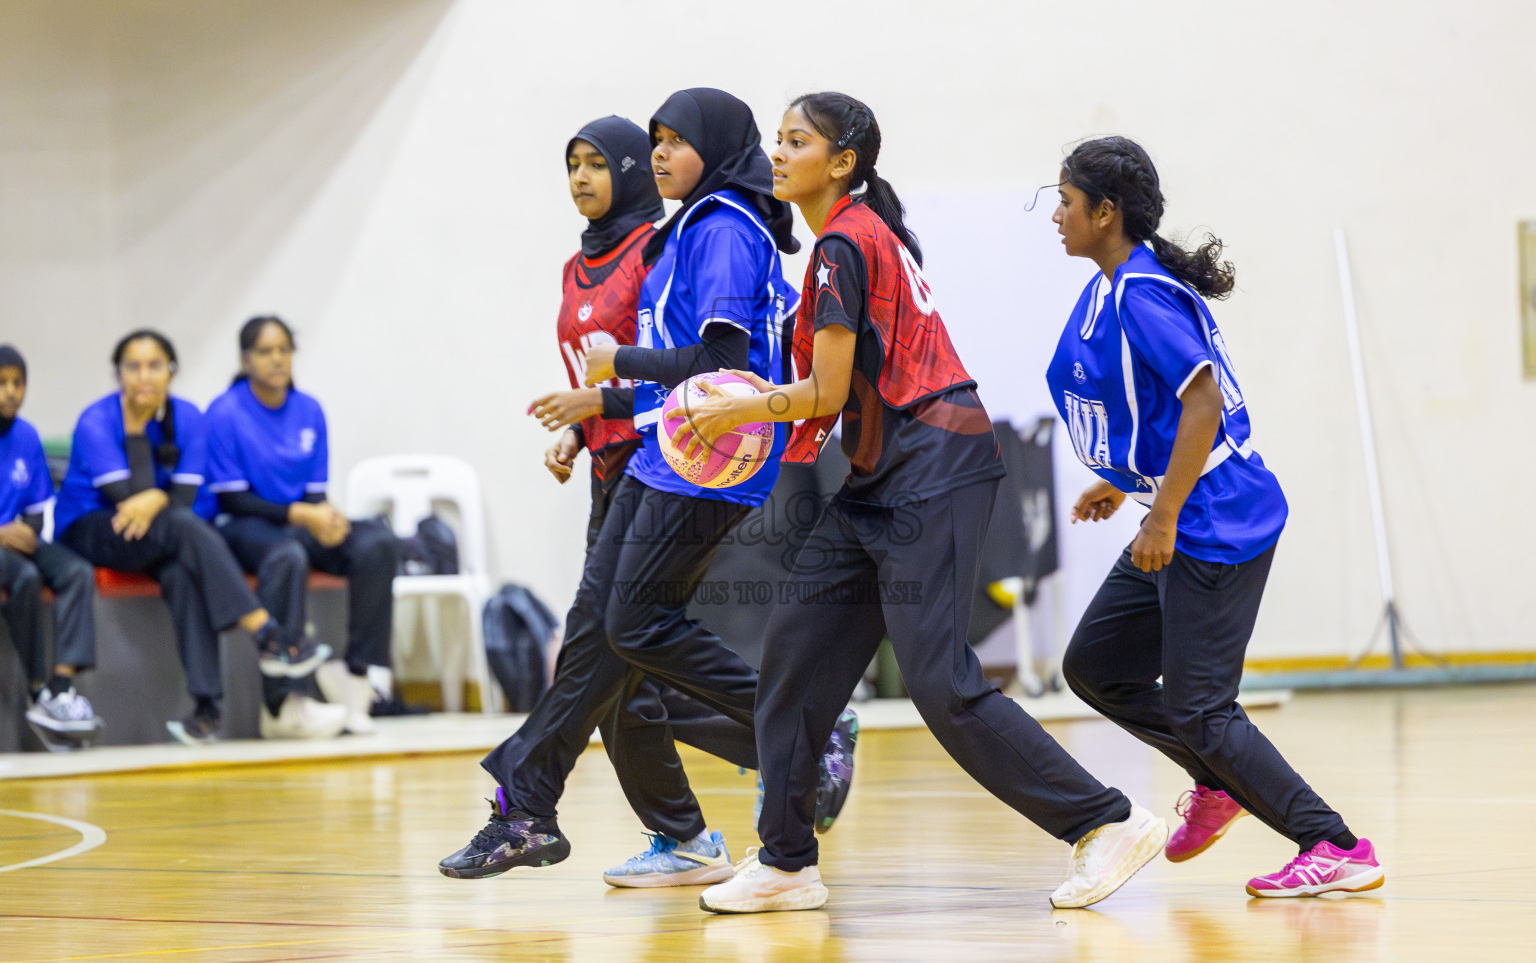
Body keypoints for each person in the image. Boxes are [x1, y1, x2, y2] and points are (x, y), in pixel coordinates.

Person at [671, 93, 1166, 914]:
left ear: (842, 162)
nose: (777, 153)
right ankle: (787, 861)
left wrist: (737, 407)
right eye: (775, 140)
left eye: (797, 141)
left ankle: (1105, 822)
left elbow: (823, 390)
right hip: (878, 478)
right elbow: (835, 394)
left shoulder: (843, 243)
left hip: (933, 467)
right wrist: (765, 401)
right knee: (793, 665)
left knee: (942, 683)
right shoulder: (859, 235)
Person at [439, 89, 854, 886]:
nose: (659, 153)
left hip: (704, 458)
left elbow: (723, 364)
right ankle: (541, 808)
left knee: (624, 630)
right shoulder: (691, 227)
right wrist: (601, 408)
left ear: (713, 148)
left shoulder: (724, 226)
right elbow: (683, 375)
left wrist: (612, 375)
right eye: (654, 140)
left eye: (673, 141)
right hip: (661, 448)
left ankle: (807, 725)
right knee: (607, 640)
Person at [1045, 136, 1384, 898]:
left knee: (1201, 708)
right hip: (1177, 507)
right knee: (1097, 668)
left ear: (1107, 212)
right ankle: (1218, 780)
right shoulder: (1116, 281)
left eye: (1065, 200)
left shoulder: (1141, 290)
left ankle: (1334, 845)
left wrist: (1160, 515)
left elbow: (1202, 406)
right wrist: (1120, 478)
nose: (1055, 215)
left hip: (1212, 520)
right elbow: (1154, 404)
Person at [53, 329, 333, 744]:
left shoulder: (188, 418)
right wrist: (134, 432)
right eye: (133, 366)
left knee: (183, 571)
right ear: (119, 375)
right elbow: (127, 504)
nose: (143, 376)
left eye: (154, 365)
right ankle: (265, 631)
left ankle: (205, 710)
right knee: (184, 528)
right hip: (93, 527)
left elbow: (180, 501)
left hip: (161, 533)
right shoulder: (97, 421)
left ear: (172, 371)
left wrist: (154, 500)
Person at [205, 316, 399, 737]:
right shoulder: (225, 413)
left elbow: (314, 492)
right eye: (265, 351)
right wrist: (304, 516)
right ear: (245, 359)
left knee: (377, 544)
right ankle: (282, 706)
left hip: (298, 522)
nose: (277, 359)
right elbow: (232, 497)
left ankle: (357, 677)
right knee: (287, 555)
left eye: (284, 349)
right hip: (243, 525)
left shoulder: (309, 409)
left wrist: (327, 520)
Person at [0, 345, 102, 746]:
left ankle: (62, 684)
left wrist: (26, 534)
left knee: (77, 571)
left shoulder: (26, 436)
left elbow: (39, 507)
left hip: (17, 543)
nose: (10, 392)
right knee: (25, 578)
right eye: (2, 383)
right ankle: (37, 687)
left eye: (17, 383)